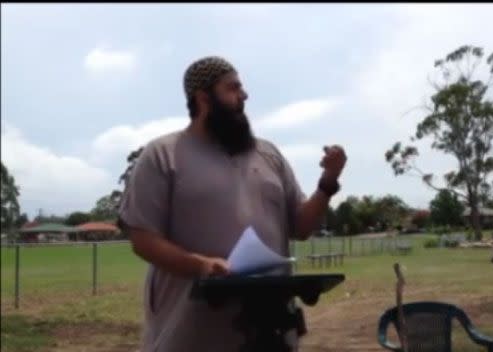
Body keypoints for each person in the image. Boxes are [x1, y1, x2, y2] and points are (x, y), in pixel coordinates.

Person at [117, 56, 347, 352]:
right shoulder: (163, 155)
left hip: (271, 331)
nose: (244, 95)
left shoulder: (268, 154)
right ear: (203, 99)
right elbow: (142, 239)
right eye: (233, 88)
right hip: (192, 333)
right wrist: (199, 265)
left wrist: (328, 181)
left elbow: (302, 226)